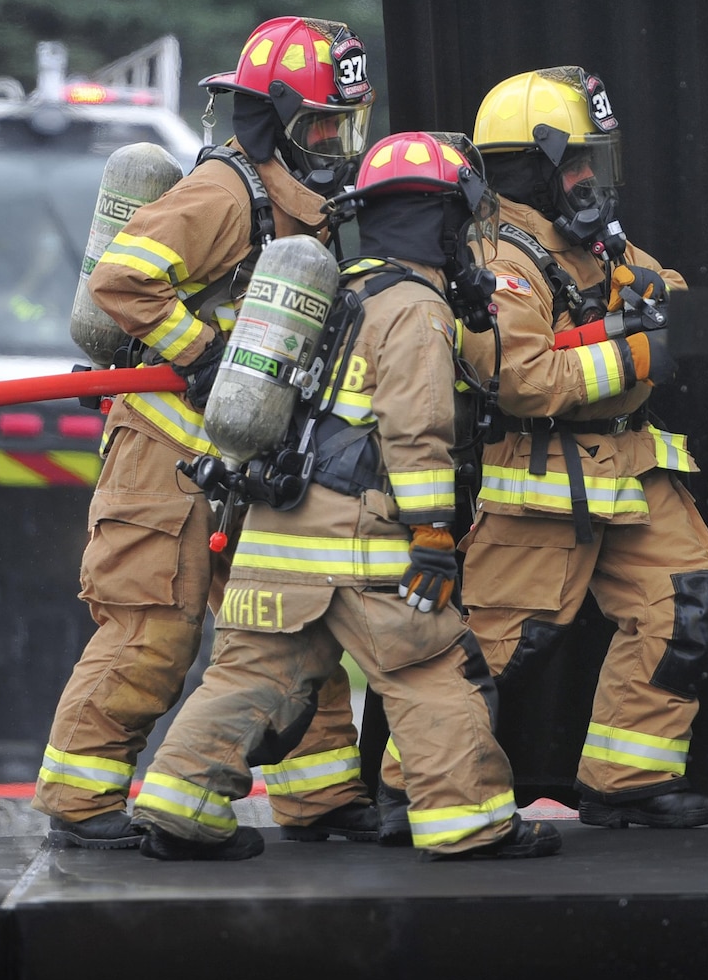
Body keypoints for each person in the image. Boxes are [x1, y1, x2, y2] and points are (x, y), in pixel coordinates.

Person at [135, 132, 561, 861]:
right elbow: (416, 429)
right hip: (359, 541)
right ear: (439, 220)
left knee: (248, 674)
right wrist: (431, 535)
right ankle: (468, 823)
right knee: (433, 666)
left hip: (274, 532)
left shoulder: (337, 287)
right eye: (460, 223)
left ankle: (179, 804)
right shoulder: (415, 308)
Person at [34, 18, 378, 848]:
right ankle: (80, 806)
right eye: (321, 126)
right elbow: (124, 274)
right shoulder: (227, 194)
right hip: (165, 455)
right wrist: (203, 351)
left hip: (240, 456)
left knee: (283, 622)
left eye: (344, 125)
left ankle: (322, 800)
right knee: (152, 629)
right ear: (274, 122)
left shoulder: (306, 208)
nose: (334, 143)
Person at [397, 67, 708, 831]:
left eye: (594, 162)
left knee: (683, 604)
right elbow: (523, 378)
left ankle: (626, 779)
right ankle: (408, 780)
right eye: (578, 163)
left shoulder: (589, 236)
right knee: (494, 647)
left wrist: (653, 304)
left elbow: (659, 282)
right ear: (532, 168)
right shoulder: (501, 259)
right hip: (541, 477)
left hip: (633, 468)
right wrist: (637, 350)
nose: (590, 178)